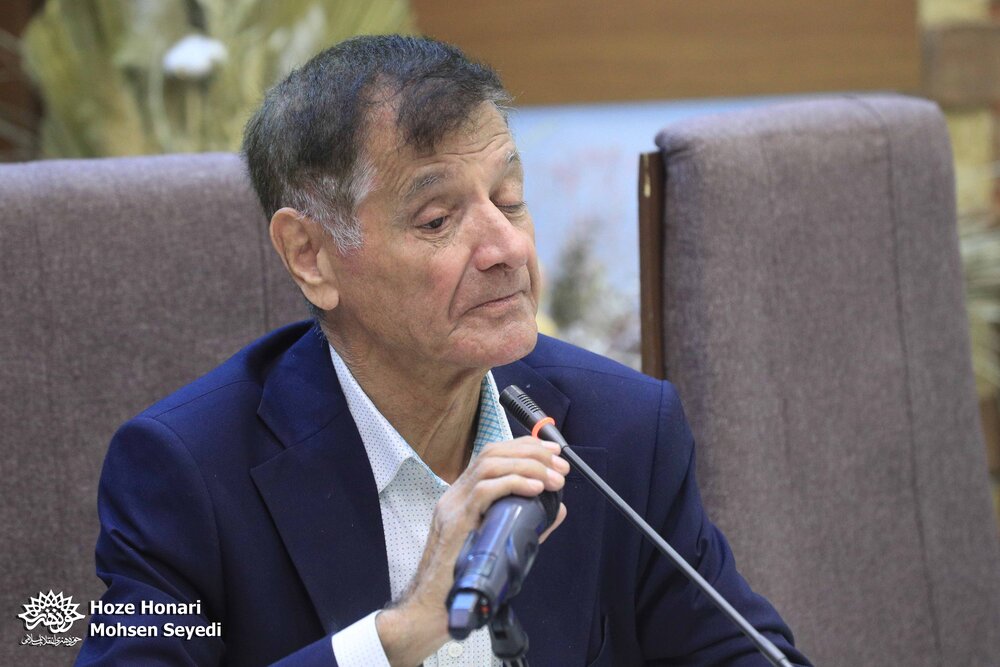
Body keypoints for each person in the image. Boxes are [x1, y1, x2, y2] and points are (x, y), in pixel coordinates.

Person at [76, 35, 811, 666]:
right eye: (437, 219)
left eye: (510, 198)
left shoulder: (622, 429)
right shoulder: (186, 473)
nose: (506, 247)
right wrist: (398, 635)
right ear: (310, 255)